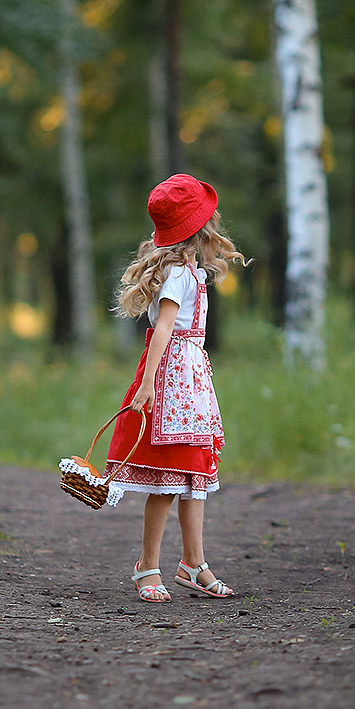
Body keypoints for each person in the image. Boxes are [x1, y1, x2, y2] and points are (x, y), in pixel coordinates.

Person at [105, 174, 247, 603]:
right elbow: (163, 329)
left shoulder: (188, 272)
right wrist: (147, 384)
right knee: (168, 479)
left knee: (194, 474)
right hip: (171, 381)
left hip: (190, 379)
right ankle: (147, 564)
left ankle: (193, 562)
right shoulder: (177, 277)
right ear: (200, 229)